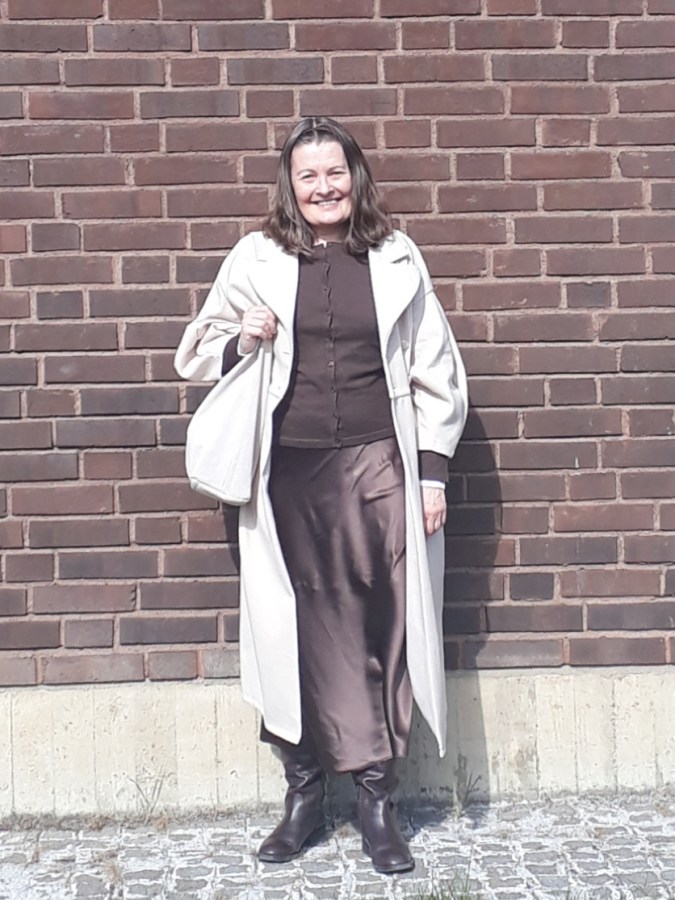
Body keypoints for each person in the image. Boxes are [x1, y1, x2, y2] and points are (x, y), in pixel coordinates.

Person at [174, 117, 468, 874]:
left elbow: (435, 368)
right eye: (308, 176)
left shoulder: (396, 257)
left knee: (383, 630)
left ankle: (376, 804)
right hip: (287, 475)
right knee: (290, 633)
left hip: (378, 468)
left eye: (334, 172)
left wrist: (431, 472)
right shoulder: (257, 256)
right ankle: (303, 796)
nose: (323, 187)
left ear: (354, 176)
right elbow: (196, 351)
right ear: (290, 185)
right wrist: (244, 336)